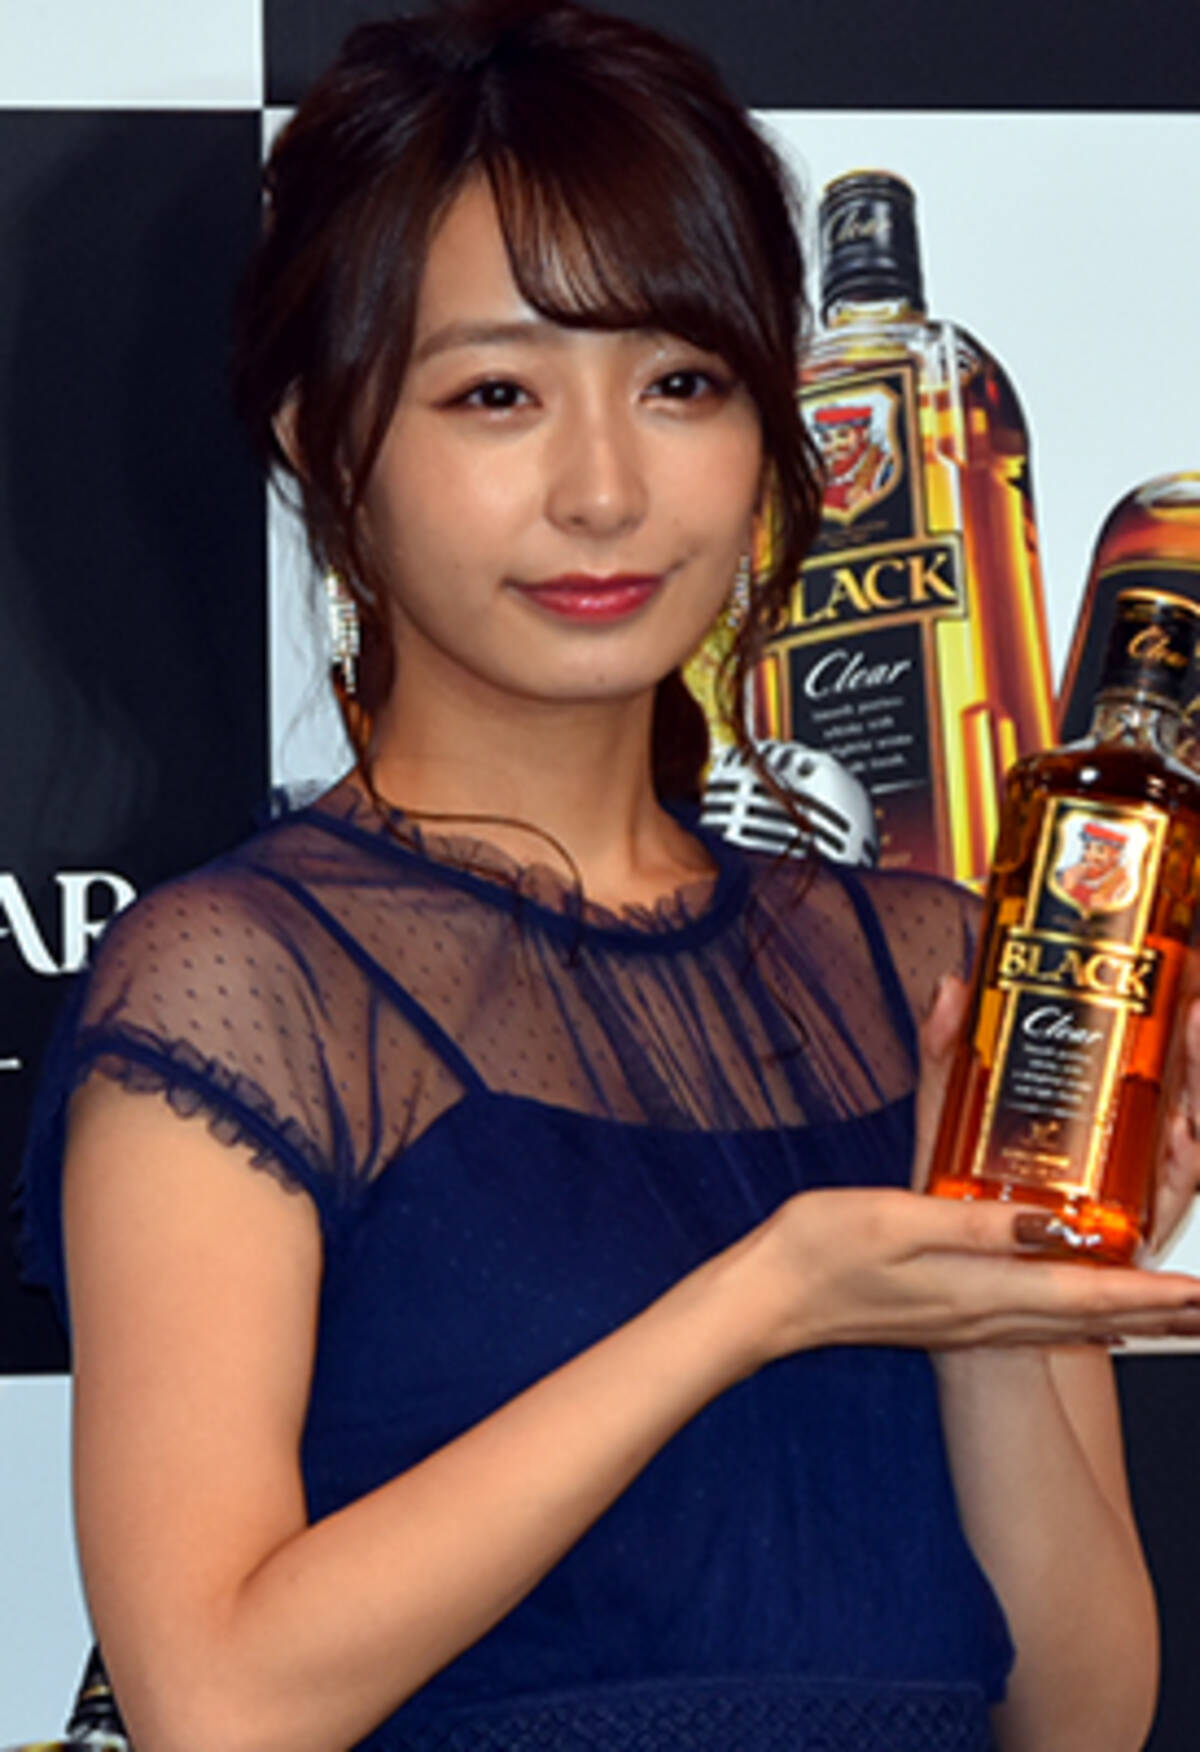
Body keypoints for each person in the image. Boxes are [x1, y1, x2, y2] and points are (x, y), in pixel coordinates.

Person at [19, 4, 1200, 1749]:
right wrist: (760, 1303)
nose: (603, 491)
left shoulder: (923, 960)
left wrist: (994, 1307)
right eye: (496, 394)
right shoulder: (244, 988)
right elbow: (220, 1705)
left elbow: (1077, 1716)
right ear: (326, 441)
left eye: (681, 385)